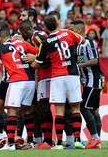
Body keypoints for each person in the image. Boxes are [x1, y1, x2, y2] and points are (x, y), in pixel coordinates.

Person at [0, 22, 37, 150]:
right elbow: (39, 52)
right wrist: (34, 57)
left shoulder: (2, 47)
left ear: (1, 37)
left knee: (12, 111)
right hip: (27, 81)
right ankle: (28, 140)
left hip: (15, 81)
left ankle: (11, 142)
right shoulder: (21, 43)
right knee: (21, 110)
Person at [32, 15, 85, 149]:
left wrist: (33, 59)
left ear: (45, 27)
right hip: (72, 75)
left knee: (59, 111)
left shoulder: (46, 42)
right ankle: (77, 140)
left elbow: (38, 63)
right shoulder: (68, 33)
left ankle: (60, 143)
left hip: (57, 77)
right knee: (75, 108)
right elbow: (82, 40)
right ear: (57, 23)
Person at [72, 20, 103, 149]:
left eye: (72, 30)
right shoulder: (77, 45)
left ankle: (95, 138)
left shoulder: (89, 42)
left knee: (83, 107)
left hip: (93, 81)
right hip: (87, 82)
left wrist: (79, 65)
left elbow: (95, 60)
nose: (71, 32)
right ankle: (96, 141)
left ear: (78, 31)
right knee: (94, 111)